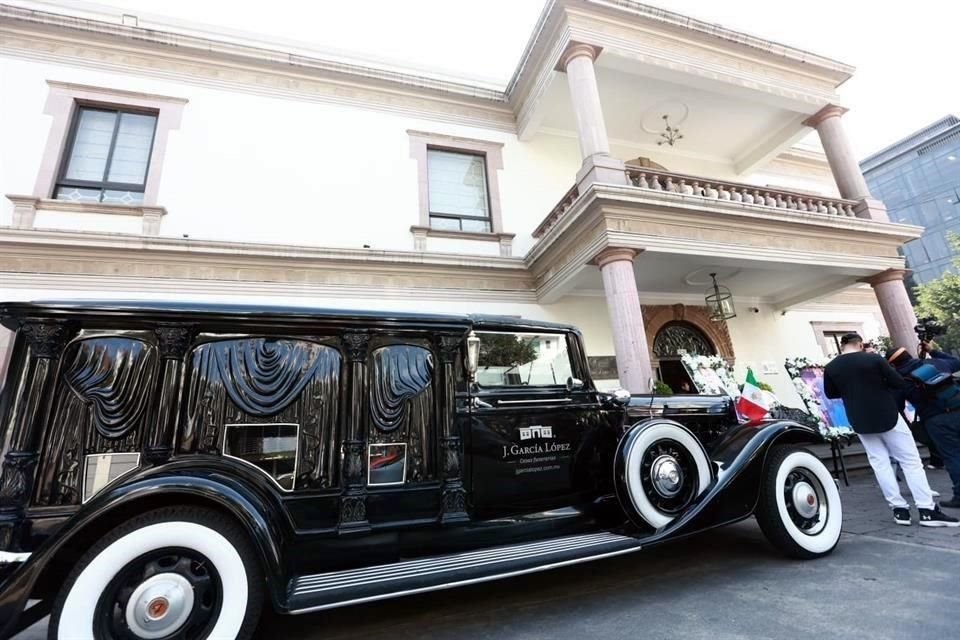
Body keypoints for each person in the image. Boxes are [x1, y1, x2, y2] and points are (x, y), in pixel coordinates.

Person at [823, 333, 958, 527]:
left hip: (859, 419)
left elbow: (831, 393)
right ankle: (927, 510)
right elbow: (898, 382)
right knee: (911, 461)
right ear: (860, 344)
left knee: (879, 463)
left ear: (842, 346)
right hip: (888, 414)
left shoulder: (832, 367)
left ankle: (899, 510)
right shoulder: (873, 359)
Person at [887, 342, 960, 509]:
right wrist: (933, 351)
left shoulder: (900, 379)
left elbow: (898, 406)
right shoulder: (935, 363)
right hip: (957, 406)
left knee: (953, 456)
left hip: (936, 420)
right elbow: (956, 361)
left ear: (892, 364)